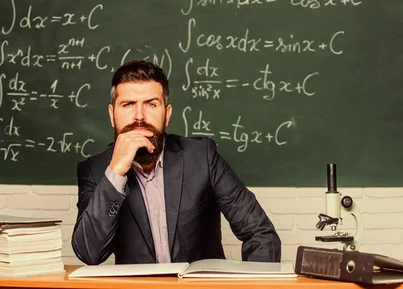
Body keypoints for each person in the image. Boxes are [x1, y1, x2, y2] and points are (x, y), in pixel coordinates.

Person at [71, 60, 281, 265]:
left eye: (151, 104)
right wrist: (116, 172)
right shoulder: (95, 171)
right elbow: (90, 253)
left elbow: (260, 233)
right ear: (112, 115)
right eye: (128, 104)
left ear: (167, 114)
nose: (139, 116)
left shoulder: (202, 157)